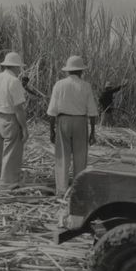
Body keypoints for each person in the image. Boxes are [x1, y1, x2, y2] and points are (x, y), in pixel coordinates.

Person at [47, 55, 98, 196]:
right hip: (81, 122)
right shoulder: (85, 86)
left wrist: (51, 131)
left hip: (63, 121)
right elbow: (92, 112)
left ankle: (61, 190)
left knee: (62, 156)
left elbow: (52, 112)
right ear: (81, 71)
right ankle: (77, 190)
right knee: (80, 157)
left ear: (68, 71)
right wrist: (92, 132)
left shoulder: (59, 85)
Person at [0, 52, 29, 189]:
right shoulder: (14, 81)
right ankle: (7, 185)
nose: (20, 70)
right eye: (19, 67)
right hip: (9, 119)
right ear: (16, 67)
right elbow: (18, 108)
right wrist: (24, 128)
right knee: (11, 153)